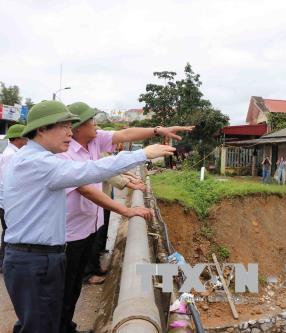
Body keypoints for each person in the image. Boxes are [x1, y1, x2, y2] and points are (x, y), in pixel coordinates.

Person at [0, 100, 176, 333]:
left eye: (71, 126)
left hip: (42, 256)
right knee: (39, 325)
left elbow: (94, 163)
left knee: (45, 320)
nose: (69, 133)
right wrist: (143, 154)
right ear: (42, 129)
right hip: (34, 258)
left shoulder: (37, 158)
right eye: (63, 126)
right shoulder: (37, 162)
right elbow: (88, 171)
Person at [57, 101, 193, 333]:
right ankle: (58, 326)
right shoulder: (65, 153)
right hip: (70, 233)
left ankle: (66, 326)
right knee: (64, 288)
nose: (96, 124)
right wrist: (127, 211)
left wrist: (158, 130)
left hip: (89, 226)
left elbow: (125, 133)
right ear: (78, 127)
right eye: (91, 121)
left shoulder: (93, 139)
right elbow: (86, 189)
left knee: (75, 286)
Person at [0, 124, 28, 272]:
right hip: (7, 202)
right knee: (8, 232)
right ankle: (4, 263)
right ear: (18, 138)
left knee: (8, 231)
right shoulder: (11, 154)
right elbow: (7, 181)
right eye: (25, 136)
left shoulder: (13, 152)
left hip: (6, 201)